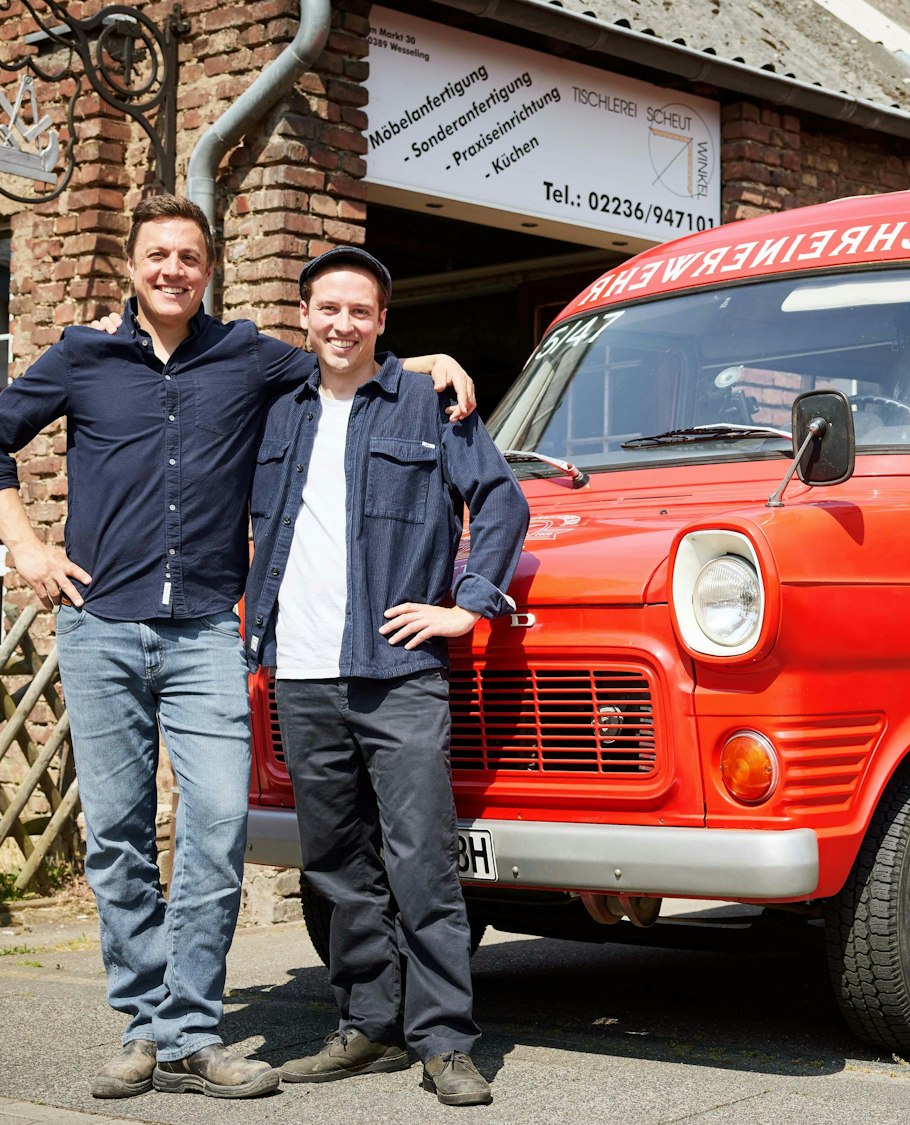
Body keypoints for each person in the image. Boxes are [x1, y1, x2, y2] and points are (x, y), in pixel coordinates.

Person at [0, 195, 478, 1100]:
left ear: (209, 269)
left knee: (216, 828)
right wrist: (28, 547)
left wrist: (427, 358)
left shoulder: (246, 356)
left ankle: (193, 1027)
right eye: (157, 254)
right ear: (131, 263)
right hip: (100, 626)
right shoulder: (83, 356)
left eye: (189, 257)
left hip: (206, 630)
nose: (172, 271)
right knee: (117, 834)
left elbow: (348, 359)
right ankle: (143, 1022)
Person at [245, 246, 527, 1107]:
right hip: (301, 668)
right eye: (327, 309)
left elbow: (504, 501)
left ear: (381, 323)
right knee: (335, 861)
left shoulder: (426, 399)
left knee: (422, 859)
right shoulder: (275, 409)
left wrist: (468, 605)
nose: (342, 324)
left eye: (359, 312)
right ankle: (368, 1024)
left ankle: (444, 1038)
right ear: (304, 315)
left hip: (397, 668)